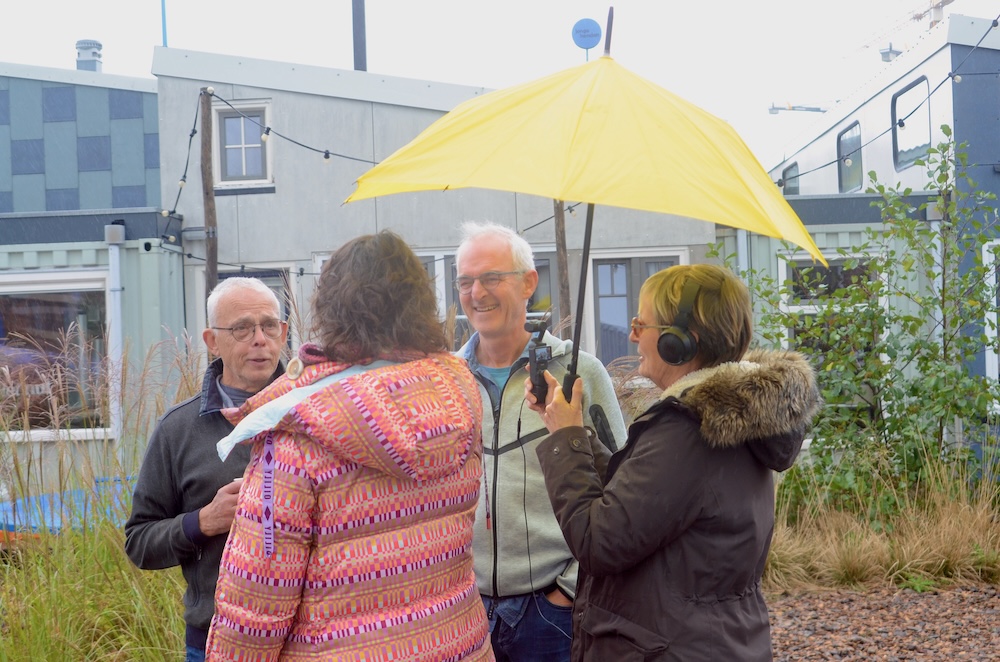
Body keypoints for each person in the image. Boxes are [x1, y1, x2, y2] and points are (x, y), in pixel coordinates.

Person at [206, 231, 493, 661]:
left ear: (332, 307)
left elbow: (254, 606)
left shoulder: (295, 437)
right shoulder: (459, 395)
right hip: (458, 642)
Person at [525, 263, 821, 661]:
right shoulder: (726, 417)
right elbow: (639, 501)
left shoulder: (688, 432)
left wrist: (565, 441)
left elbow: (599, 542)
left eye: (640, 323)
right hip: (710, 641)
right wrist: (572, 431)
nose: (631, 335)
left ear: (679, 341)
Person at [454, 221, 627, 662]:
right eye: (465, 281)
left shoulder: (579, 373)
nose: (477, 293)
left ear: (529, 282)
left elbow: (624, 492)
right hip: (463, 611)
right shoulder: (446, 380)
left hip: (551, 613)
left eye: (492, 277)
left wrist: (569, 588)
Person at [125, 277, 288, 662]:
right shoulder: (178, 429)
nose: (259, 339)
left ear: (283, 333)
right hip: (215, 639)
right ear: (212, 340)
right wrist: (204, 521)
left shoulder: (318, 414)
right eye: (242, 328)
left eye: (268, 326)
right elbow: (139, 541)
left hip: (313, 637)